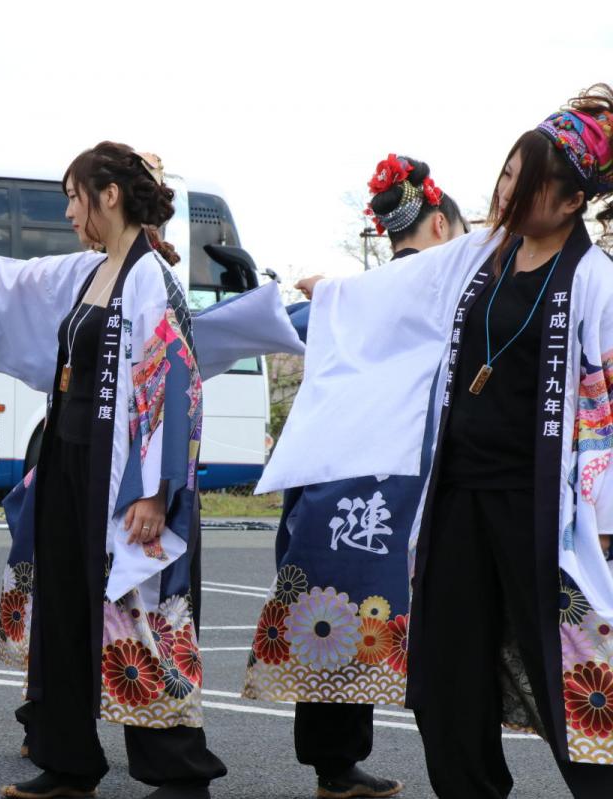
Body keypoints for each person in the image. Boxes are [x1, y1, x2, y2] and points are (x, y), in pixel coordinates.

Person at [0, 142, 301, 799]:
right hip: (68, 458)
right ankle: (66, 760)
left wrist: (153, 490)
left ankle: (178, 773)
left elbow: (171, 384)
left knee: (138, 613)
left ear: (111, 196)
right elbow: (0, 282)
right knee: (62, 608)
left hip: (119, 472)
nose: (69, 210)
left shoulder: (150, 276)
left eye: (76, 195)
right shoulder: (91, 270)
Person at [261, 86, 613, 797]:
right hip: (456, 499)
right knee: (444, 676)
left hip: (542, 510)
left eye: (529, 179)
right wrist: (331, 293)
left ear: (573, 200)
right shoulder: (478, 257)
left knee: (569, 672)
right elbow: (398, 294)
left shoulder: (597, 283)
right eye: (508, 174)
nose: (509, 189)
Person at [245, 156, 467, 799]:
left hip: (328, 479)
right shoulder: (447, 292)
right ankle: (455, 768)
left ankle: (335, 766)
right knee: (418, 619)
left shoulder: (344, 298)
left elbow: (278, 325)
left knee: (334, 614)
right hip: (403, 477)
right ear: (440, 228)